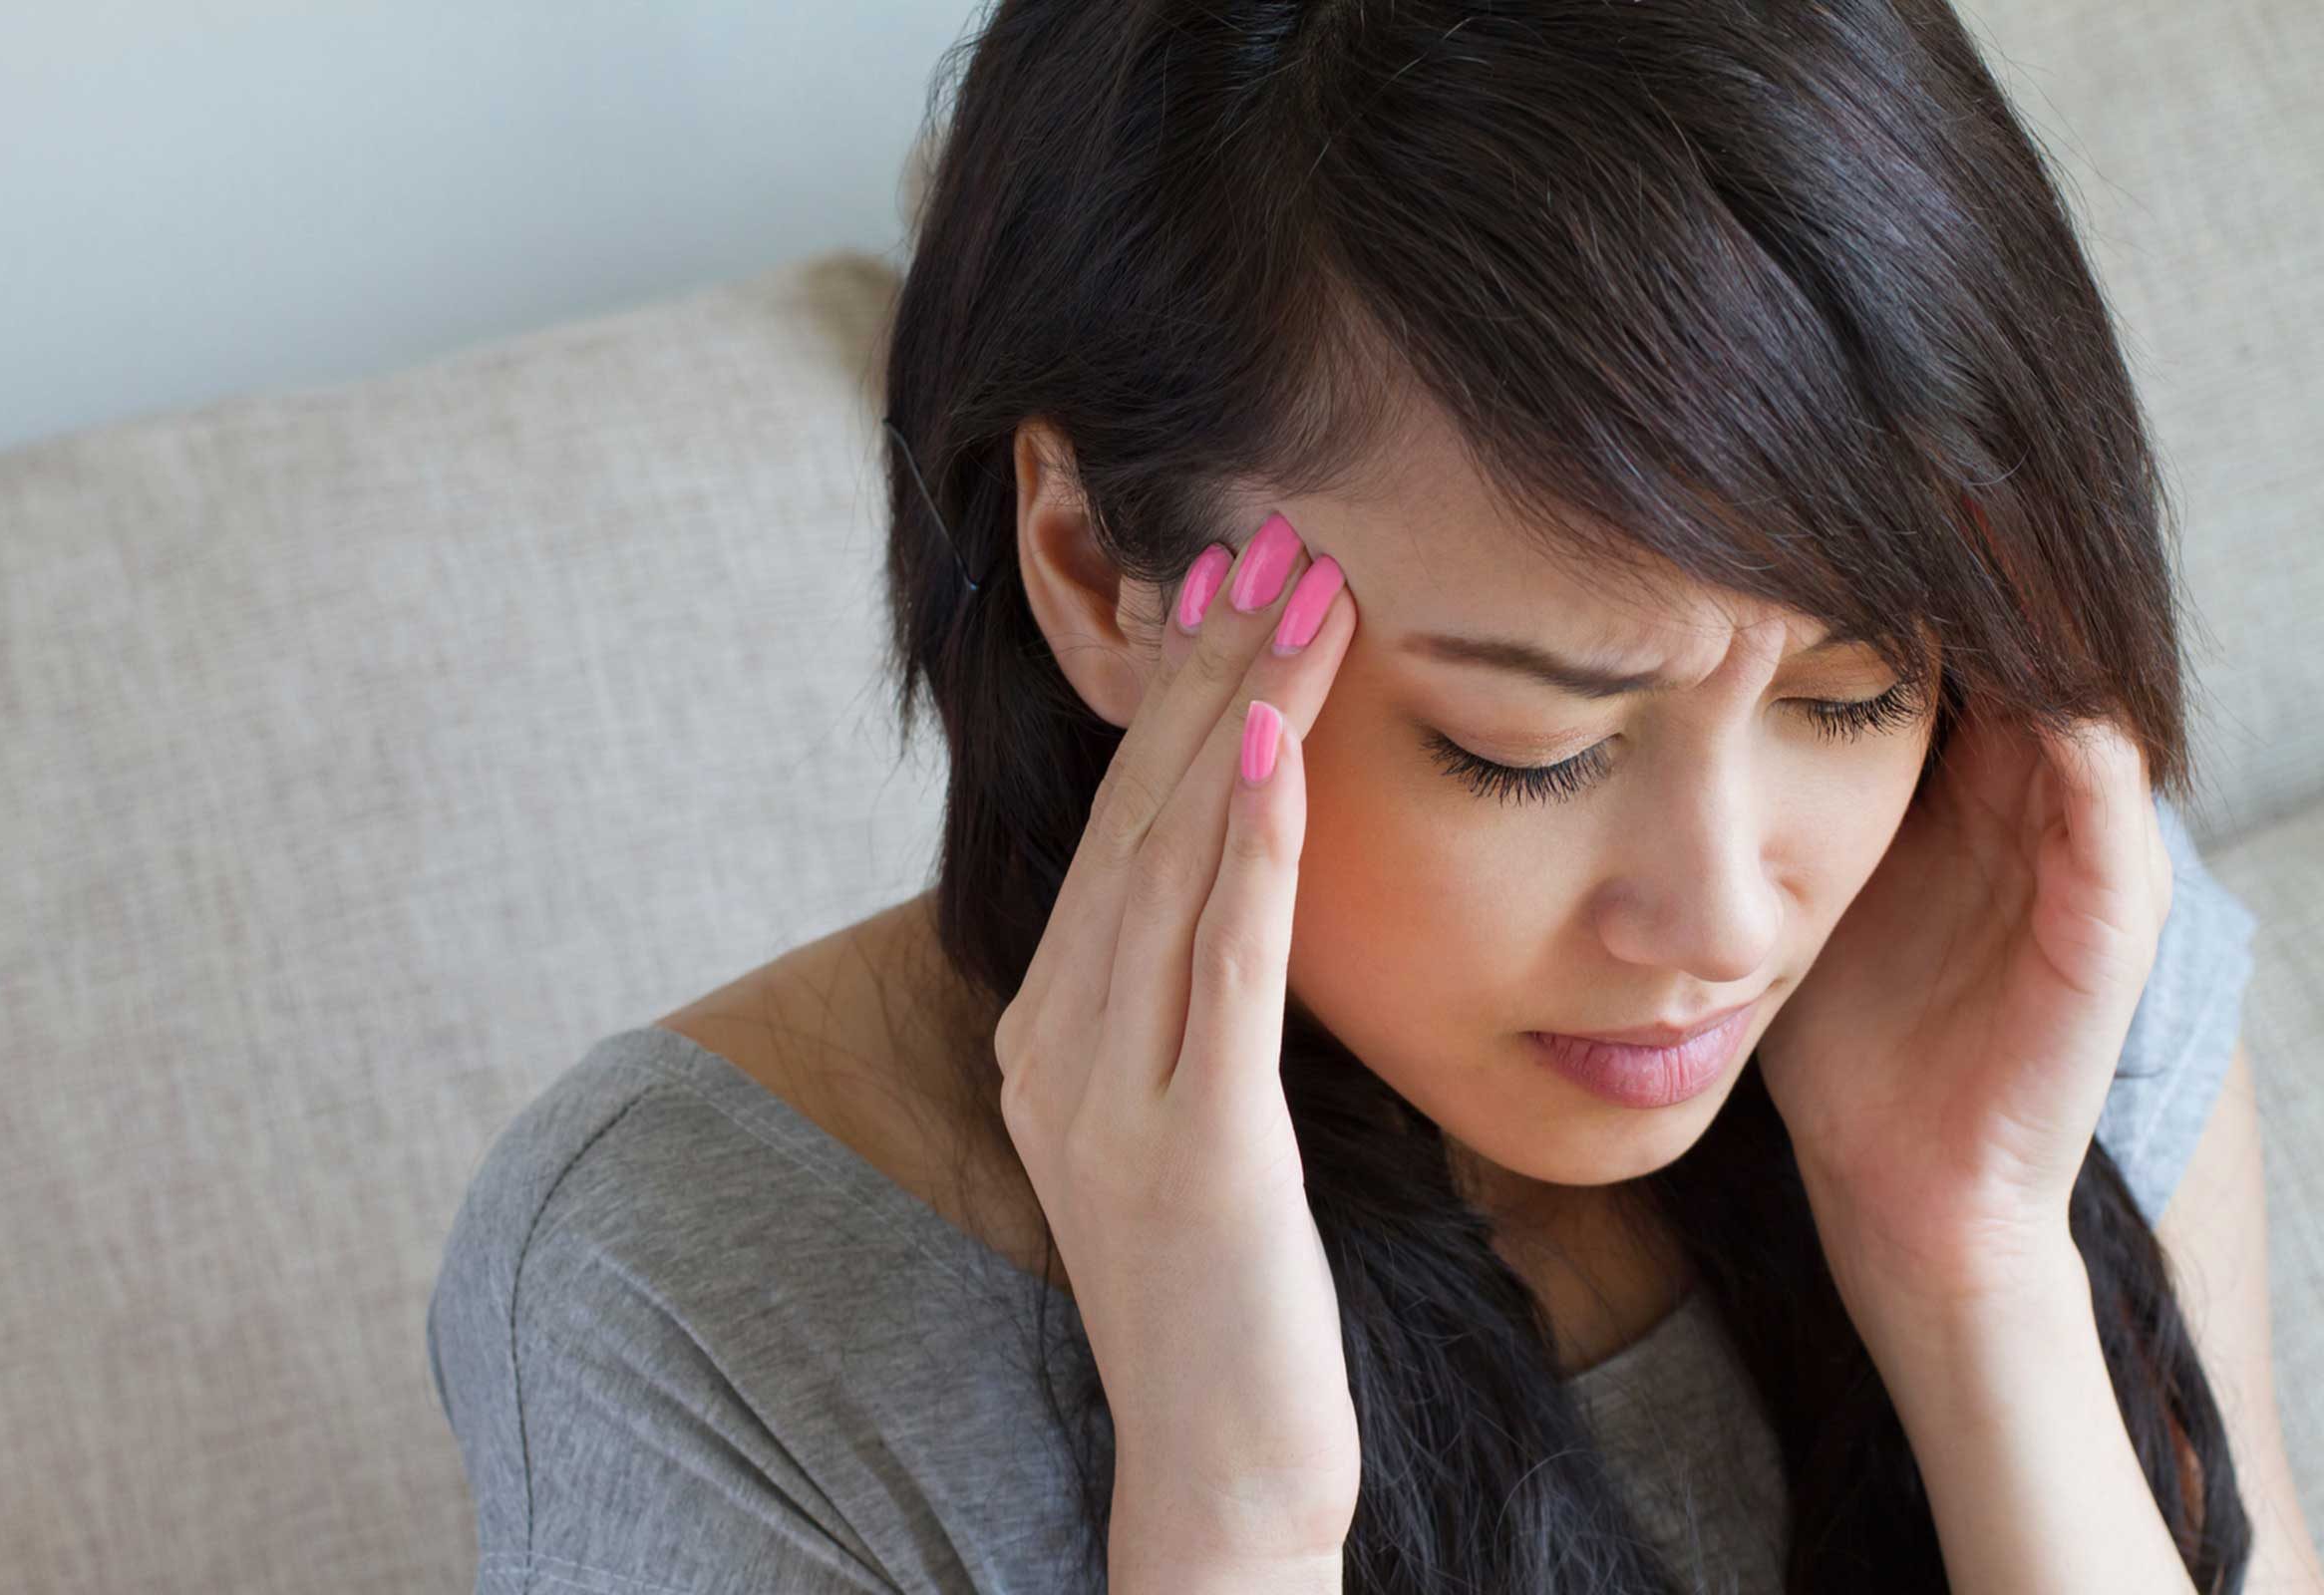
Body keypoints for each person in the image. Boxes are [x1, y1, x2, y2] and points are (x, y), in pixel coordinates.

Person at [427, 3, 2317, 1590]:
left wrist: (1969, 1268)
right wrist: (1228, 1509)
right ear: (1094, 570)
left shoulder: (2030, 947)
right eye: (1530, 745)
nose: (1734, 919)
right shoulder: (690, 1282)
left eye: (1854, 692)